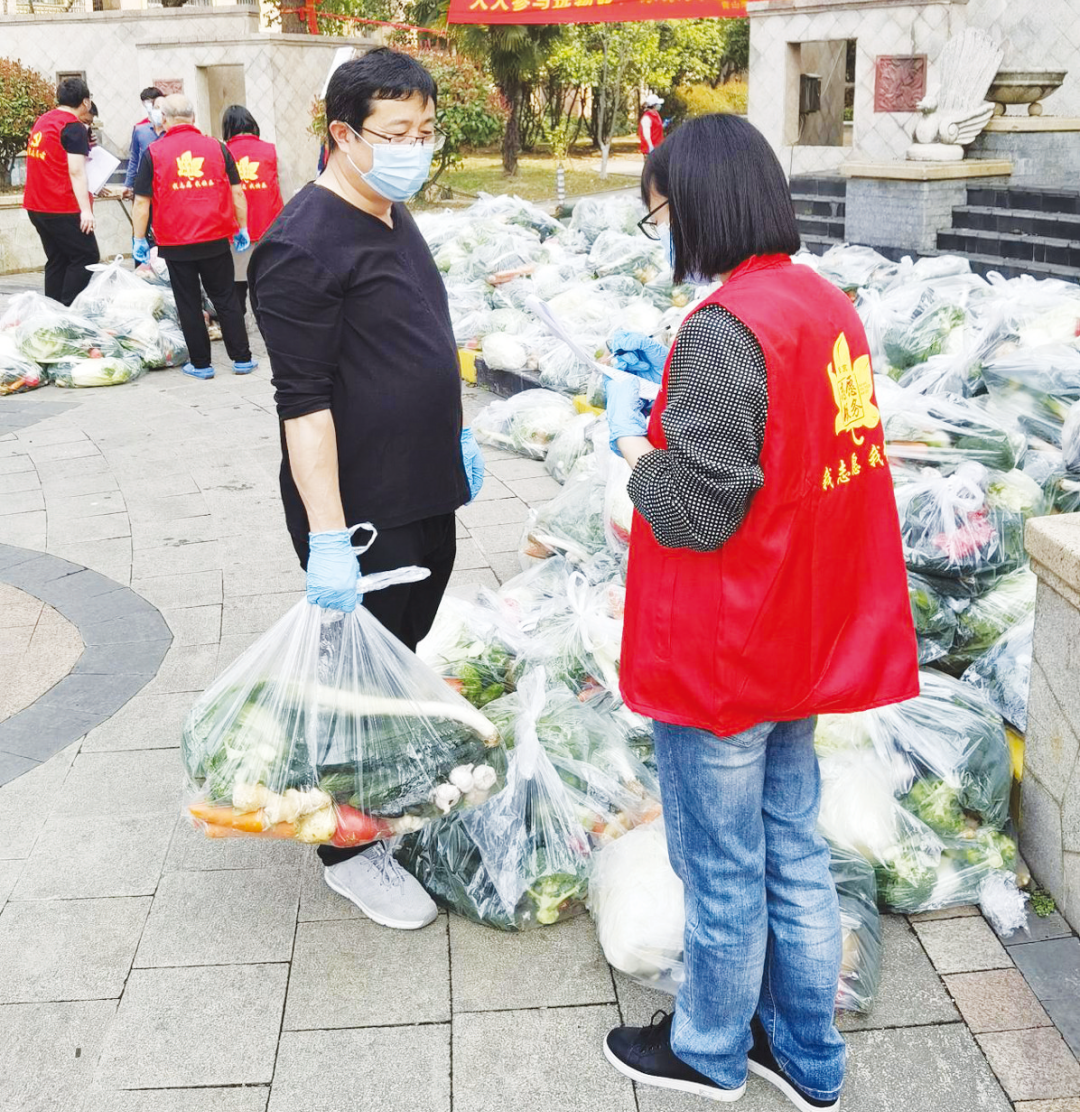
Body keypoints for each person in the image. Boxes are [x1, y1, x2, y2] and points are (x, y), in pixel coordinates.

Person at [601, 115, 919, 1110]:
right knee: (793, 847)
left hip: (724, 650)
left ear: (698, 204)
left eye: (661, 212)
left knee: (724, 866)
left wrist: (632, 453)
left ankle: (708, 1049)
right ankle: (807, 1051)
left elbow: (699, 508)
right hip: (798, 635)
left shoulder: (723, 327)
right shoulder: (825, 305)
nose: (663, 232)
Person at [249, 48, 485, 931]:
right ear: (343, 135)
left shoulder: (390, 211)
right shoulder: (300, 247)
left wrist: (454, 433)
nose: (416, 147)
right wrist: (327, 537)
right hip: (363, 514)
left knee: (401, 654)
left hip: (425, 486)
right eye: (397, 133)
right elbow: (303, 406)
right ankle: (347, 852)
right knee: (356, 678)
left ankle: (383, 797)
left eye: (426, 130)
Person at [130, 93, 257, 380]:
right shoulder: (218, 148)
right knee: (225, 297)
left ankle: (201, 364)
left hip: (176, 243)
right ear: (193, 117)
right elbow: (237, 192)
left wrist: (139, 238)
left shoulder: (154, 153)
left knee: (188, 302)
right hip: (215, 238)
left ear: (164, 119)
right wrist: (242, 227)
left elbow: (141, 202)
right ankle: (242, 359)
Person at [22, 76, 99, 306]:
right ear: (85, 102)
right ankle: (67, 309)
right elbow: (76, 171)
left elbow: (55, 154)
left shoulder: (43, 121)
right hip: (61, 206)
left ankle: (52, 311)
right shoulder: (72, 127)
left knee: (58, 259)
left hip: (37, 206)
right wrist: (86, 211)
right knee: (87, 256)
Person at [222, 105, 285, 316]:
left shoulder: (222, 153)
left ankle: (238, 326)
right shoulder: (271, 151)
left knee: (237, 286)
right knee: (266, 284)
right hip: (269, 231)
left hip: (236, 234)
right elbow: (285, 190)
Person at [123, 87, 165, 201]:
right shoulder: (140, 129)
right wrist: (128, 184)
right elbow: (134, 159)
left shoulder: (173, 131)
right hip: (145, 180)